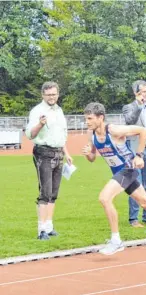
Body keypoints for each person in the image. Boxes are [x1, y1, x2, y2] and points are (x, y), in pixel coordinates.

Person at [82, 102, 146, 255]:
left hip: (127, 168)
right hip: (118, 171)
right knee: (145, 202)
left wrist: (139, 155)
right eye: (86, 119)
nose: (87, 122)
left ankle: (116, 241)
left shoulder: (114, 130)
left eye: (90, 119)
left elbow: (143, 130)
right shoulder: (92, 134)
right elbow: (92, 158)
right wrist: (89, 153)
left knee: (104, 198)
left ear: (100, 118)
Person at [25, 81, 73, 240]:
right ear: (43, 95)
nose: (52, 97)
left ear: (58, 94)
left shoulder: (59, 110)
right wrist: (40, 124)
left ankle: (50, 226)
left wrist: (67, 153)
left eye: (54, 94)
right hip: (43, 152)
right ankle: (41, 230)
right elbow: (30, 134)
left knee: (53, 192)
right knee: (45, 192)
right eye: (48, 95)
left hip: (58, 153)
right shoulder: (37, 111)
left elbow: (61, 135)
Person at [122, 80, 146, 228]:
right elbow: (129, 121)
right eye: (142, 92)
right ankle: (133, 219)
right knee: (135, 185)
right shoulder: (128, 108)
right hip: (134, 151)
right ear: (136, 93)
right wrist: (139, 106)